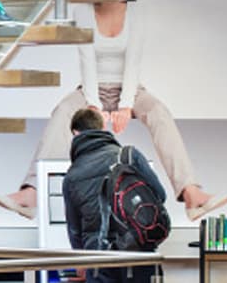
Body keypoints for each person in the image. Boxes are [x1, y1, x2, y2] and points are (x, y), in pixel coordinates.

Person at [0, 0, 227, 221]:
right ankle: (30, 194)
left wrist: (126, 106)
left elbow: (133, 63)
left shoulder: (136, 12)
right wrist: (93, 105)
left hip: (130, 89)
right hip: (92, 89)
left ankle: (191, 193)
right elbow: (87, 60)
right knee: (62, 112)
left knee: (159, 113)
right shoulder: (83, 11)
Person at [62, 108, 163, 283]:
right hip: (138, 253)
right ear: (102, 128)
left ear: (75, 133)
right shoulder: (130, 156)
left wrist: (81, 261)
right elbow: (160, 196)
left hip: (98, 260)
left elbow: (74, 230)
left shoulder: (71, 176)